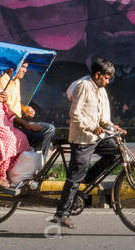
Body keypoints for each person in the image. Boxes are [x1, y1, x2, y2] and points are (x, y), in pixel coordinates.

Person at [52, 57, 126, 229]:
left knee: (115, 152)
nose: (107, 82)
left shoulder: (100, 90)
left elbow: (103, 118)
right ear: (98, 74)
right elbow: (75, 115)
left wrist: (112, 126)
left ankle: (86, 182)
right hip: (83, 138)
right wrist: (92, 127)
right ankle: (61, 214)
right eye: (106, 78)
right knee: (74, 177)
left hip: (97, 137)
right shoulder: (84, 87)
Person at [0, 60, 56, 159]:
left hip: (18, 122)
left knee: (49, 128)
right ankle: (33, 162)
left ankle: (39, 162)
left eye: (26, 67)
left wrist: (25, 108)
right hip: (9, 124)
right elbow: (6, 110)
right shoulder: (3, 80)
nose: (25, 70)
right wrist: (26, 125)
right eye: (23, 67)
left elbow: (14, 103)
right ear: (12, 68)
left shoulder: (16, 81)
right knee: (40, 135)